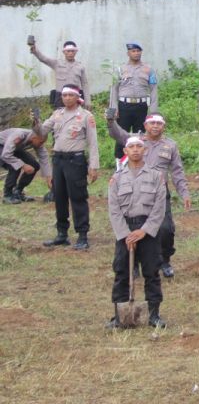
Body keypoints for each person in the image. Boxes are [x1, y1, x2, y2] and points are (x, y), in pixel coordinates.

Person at [107, 111, 190, 278]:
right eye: (152, 123)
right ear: (145, 125)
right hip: (135, 191)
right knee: (135, 227)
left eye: (159, 123)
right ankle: (135, 263)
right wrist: (110, 121)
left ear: (163, 126)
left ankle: (164, 260)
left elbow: (177, 172)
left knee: (165, 229)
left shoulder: (170, 146)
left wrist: (184, 192)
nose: (155, 126)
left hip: (159, 192)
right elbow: (117, 133)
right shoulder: (136, 141)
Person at [106, 136, 168, 329]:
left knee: (152, 272)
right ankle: (120, 316)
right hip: (124, 230)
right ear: (125, 151)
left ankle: (154, 315)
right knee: (121, 272)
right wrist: (125, 234)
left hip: (148, 230)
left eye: (139, 146)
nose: (135, 150)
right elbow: (113, 209)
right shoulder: (117, 178)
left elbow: (160, 207)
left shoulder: (157, 176)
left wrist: (144, 231)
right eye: (131, 147)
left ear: (145, 150)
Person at [37, 85, 99, 250]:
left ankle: (82, 235)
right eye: (64, 95)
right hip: (58, 160)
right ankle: (62, 234)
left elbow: (93, 143)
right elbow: (42, 131)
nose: (67, 98)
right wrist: (35, 122)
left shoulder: (86, 116)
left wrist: (94, 166)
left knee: (78, 198)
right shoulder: (57, 114)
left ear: (77, 97)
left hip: (75, 161)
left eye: (70, 95)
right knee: (60, 197)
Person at [112, 42, 158, 160]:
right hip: (124, 106)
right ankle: (120, 163)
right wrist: (114, 108)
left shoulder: (149, 69)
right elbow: (114, 89)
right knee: (121, 134)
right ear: (128, 53)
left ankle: (139, 161)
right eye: (133, 51)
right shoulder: (120, 69)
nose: (136, 53)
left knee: (141, 135)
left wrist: (153, 111)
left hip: (141, 106)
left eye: (138, 51)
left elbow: (153, 90)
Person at [30, 38, 89, 108]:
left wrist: (88, 101)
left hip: (75, 96)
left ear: (75, 52)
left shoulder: (80, 66)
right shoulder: (57, 63)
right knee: (59, 117)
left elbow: (85, 84)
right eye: (68, 51)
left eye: (72, 51)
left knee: (76, 117)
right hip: (60, 97)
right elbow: (43, 59)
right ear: (64, 52)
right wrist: (34, 49)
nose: (70, 53)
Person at [1, 126, 49, 204]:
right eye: (41, 142)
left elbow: (44, 159)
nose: (41, 144)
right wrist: (23, 165)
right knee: (14, 166)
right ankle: (7, 195)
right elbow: (6, 154)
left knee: (34, 165)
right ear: (34, 138)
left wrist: (49, 178)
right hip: (2, 147)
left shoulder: (37, 140)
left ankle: (18, 191)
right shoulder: (19, 135)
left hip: (14, 149)